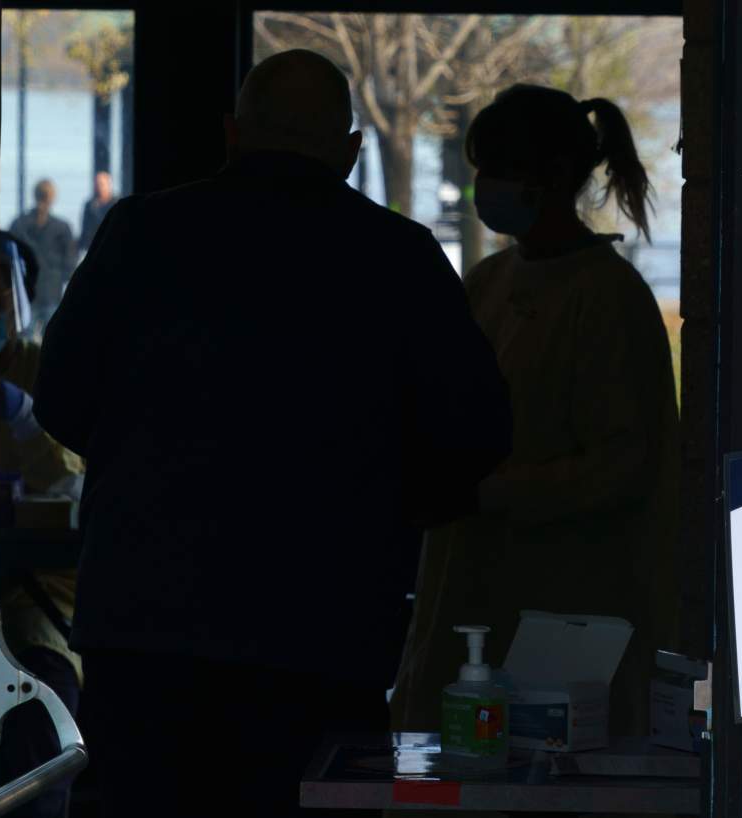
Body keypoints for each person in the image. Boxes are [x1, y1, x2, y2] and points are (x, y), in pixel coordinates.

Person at [32, 49, 512, 817]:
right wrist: (386, 507)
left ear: (232, 133)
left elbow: (59, 399)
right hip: (326, 630)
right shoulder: (399, 258)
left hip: (145, 624)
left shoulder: (141, 233)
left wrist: (144, 466)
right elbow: (476, 433)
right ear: (351, 150)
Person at [390, 85, 682, 740]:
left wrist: (488, 492)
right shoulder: (488, 282)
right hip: (471, 580)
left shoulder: (608, 297)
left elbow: (622, 463)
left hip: (566, 605)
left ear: (551, 177)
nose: (485, 186)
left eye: (499, 168)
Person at [0, 232, 84, 818]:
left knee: (37, 713)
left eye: (4, 281)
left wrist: (22, 418)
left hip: (36, 611)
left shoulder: (36, 368)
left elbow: (73, 482)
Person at [10, 180, 77, 336]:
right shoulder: (62, 227)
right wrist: (61, 276)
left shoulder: (19, 224)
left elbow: (10, 259)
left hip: (27, 293)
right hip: (52, 291)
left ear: (34, 195)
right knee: (54, 343)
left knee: (24, 345)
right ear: (53, 198)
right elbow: (70, 262)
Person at [79, 171, 117, 254]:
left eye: (101, 184)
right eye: (96, 184)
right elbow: (84, 227)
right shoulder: (89, 205)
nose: (98, 187)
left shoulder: (117, 203)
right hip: (92, 247)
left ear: (109, 185)